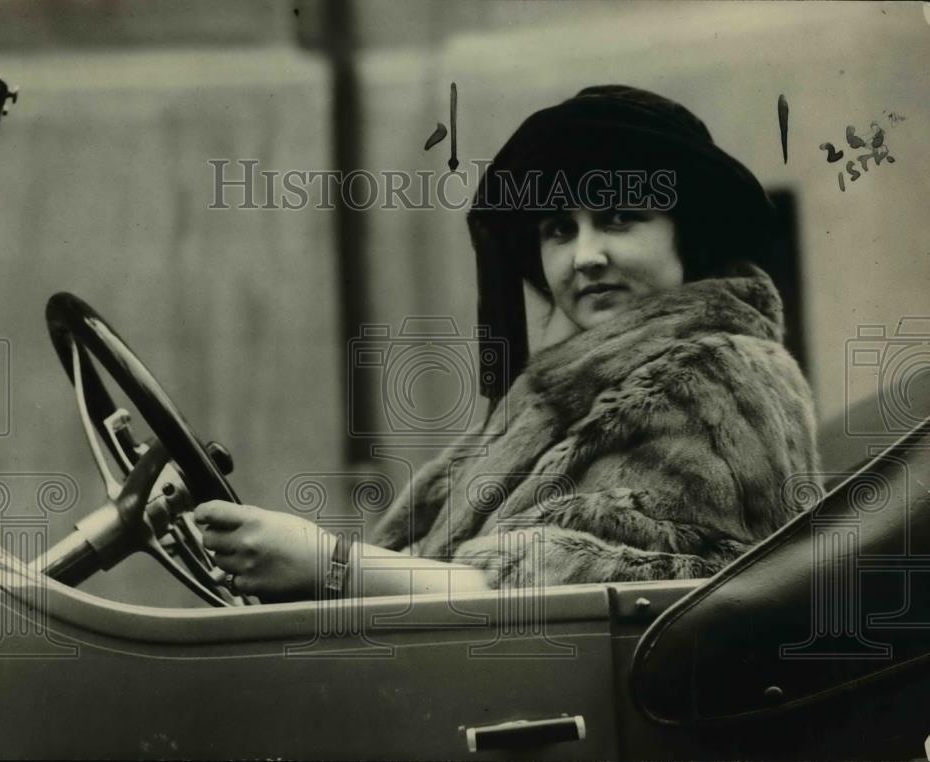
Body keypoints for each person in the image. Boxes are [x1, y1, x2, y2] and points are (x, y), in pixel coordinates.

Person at [193, 85, 820, 602]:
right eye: (558, 230)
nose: (585, 257)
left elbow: (612, 598)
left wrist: (331, 567)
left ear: (692, 232)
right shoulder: (573, 388)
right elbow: (451, 569)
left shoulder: (719, 379)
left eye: (617, 218)